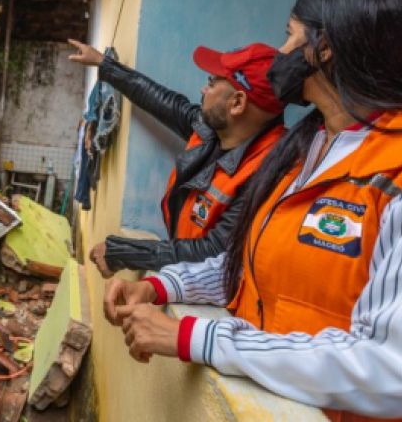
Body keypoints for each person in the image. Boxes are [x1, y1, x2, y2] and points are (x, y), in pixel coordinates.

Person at [104, 0, 402, 421]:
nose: (279, 54)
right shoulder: (307, 149)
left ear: (324, 48)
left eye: (289, 36)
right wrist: (162, 285)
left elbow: (393, 368)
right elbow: (249, 265)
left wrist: (195, 337)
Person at [68, 39, 285, 276]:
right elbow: (163, 102)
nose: (203, 90)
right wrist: (105, 65)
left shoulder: (268, 174)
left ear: (237, 103)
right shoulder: (212, 130)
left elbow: (213, 252)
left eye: (211, 83)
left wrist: (121, 253)